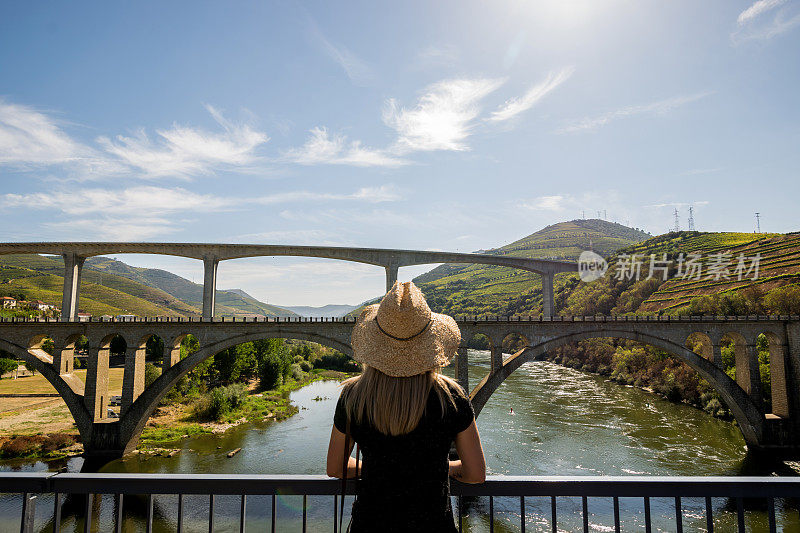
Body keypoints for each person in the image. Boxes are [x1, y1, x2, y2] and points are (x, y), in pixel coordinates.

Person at [327, 281, 486, 532]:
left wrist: (377, 469)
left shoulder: (353, 396)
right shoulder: (451, 396)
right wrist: (443, 467)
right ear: (430, 341)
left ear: (376, 343)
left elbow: (335, 467)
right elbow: (475, 473)